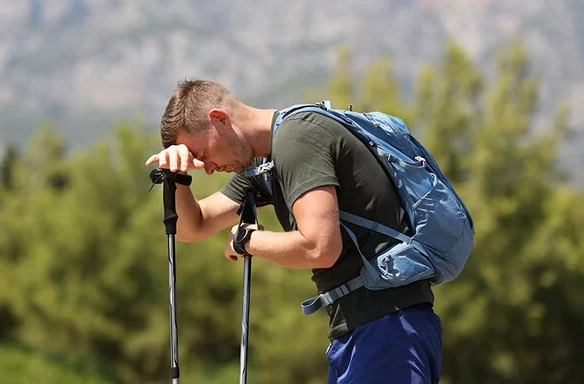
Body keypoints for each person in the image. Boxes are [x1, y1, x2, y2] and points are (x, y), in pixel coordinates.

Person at [145, 78, 443, 384]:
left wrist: (247, 240)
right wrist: (176, 178)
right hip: (366, 330)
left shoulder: (296, 140)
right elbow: (193, 226)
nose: (205, 167)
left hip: (386, 327)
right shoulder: (266, 162)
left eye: (202, 152)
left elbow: (321, 248)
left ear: (219, 119)